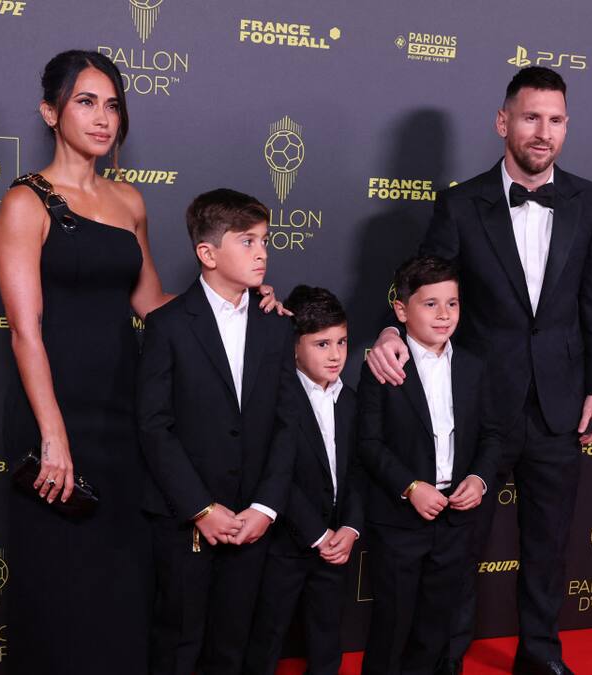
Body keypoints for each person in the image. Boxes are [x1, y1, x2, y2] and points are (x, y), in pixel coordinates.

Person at [0, 51, 281, 674]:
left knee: (123, 583)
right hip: (58, 410)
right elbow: (25, 330)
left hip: (128, 409)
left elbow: (155, 305)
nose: (104, 118)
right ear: (51, 111)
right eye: (85, 101)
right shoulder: (26, 201)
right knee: (60, 580)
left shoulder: (129, 200)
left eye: (113, 104)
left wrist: (237, 296)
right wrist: (53, 436)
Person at [366, 67, 592, 675]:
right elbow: (426, 285)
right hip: (479, 407)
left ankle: (540, 653)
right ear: (503, 122)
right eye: (531, 118)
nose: (543, 132)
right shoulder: (459, 202)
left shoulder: (591, 200)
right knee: (459, 544)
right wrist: (389, 329)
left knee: (550, 542)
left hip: (560, 401)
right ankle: (446, 658)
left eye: (555, 120)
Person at [137, 188, 299, 675]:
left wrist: (266, 508)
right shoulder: (167, 325)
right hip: (185, 520)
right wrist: (200, 508)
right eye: (247, 241)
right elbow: (153, 425)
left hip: (253, 521)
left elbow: (288, 424)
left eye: (264, 240)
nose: (262, 252)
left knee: (234, 645)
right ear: (207, 253)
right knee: (179, 642)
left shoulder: (277, 327)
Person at [358, 255, 506, 675]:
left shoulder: (475, 366)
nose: (444, 315)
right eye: (430, 304)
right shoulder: (384, 366)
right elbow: (368, 444)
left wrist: (479, 478)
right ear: (402, 310)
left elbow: (494, 434)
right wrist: (410, 486)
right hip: (401, 520)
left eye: (452, 303)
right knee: (393, 625)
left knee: (437, 628)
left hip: (456, 519)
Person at [244, 286, 365, 675]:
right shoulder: (278, 397)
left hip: (335, 545)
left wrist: (349, 527)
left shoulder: (351, 399)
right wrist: (316, 533)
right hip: (285, 544)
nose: (335, 354)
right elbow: (278, 473)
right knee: (267, 636)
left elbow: (360, 471)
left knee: (327, 636)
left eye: (342, 342)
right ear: (294, 346)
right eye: (322, 344)